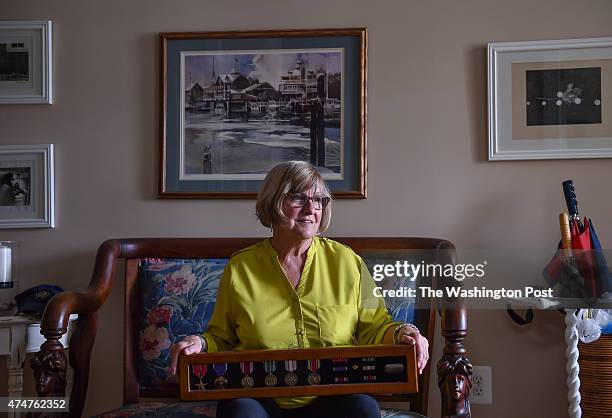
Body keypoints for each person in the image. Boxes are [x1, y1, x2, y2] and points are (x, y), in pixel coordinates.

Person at [169, 160, 429, 418]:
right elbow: (222, 339)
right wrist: (200, 343)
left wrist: (405, 333)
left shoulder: (347, 262)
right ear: (273, 202)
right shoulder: (241, 267)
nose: (311, 208)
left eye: (318, 200)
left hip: (334, 394)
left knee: (363, 408)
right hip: (260, 396)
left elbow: (376, 327)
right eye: (297, 198)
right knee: (238, 410)